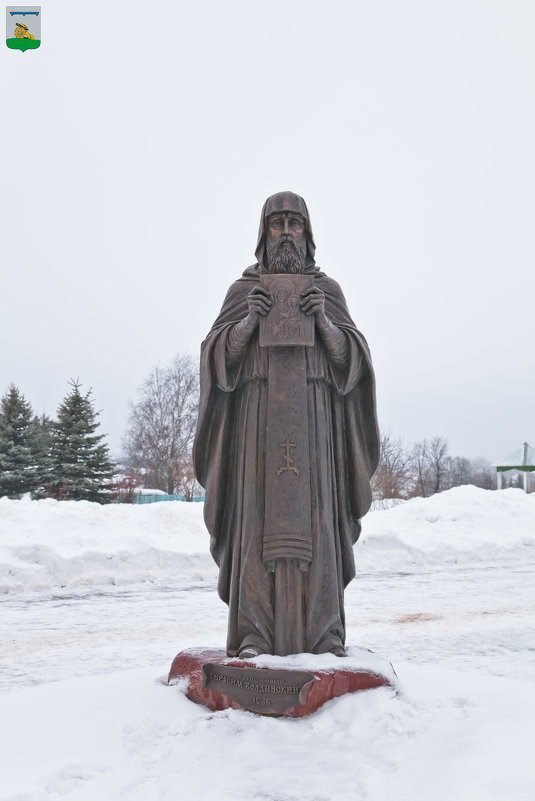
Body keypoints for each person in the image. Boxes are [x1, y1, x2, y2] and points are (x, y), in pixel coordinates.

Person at [193, 191, 379, 658]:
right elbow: (218, 361)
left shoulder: (326, 291)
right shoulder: (244, 292)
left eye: (295, 223)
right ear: (263, 233)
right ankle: (254, 637)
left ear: (308, 233)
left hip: (315, 429)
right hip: (257, 430)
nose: (287, 232)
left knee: (316, 528)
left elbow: (352, 365)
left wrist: (325, 325)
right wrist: (246, 325)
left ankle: (323, 635)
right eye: (277, 224)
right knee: (256, 527)